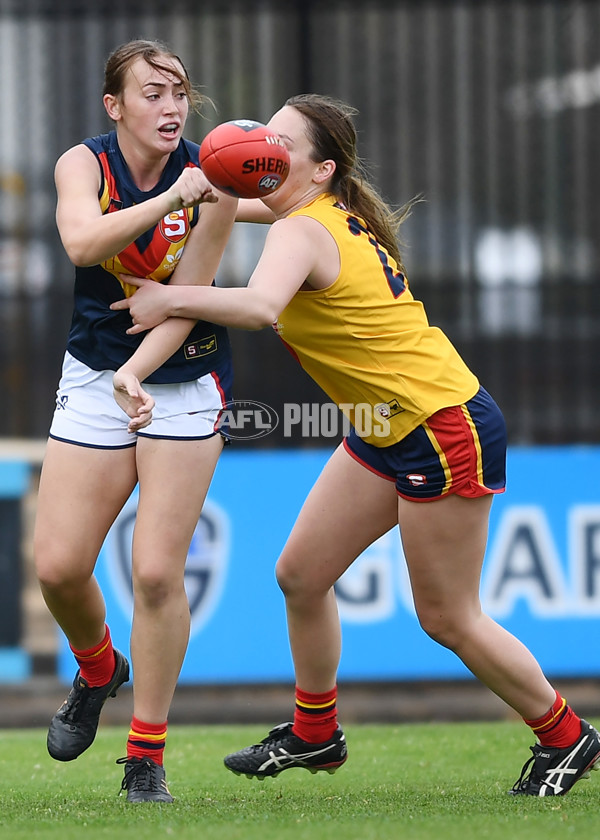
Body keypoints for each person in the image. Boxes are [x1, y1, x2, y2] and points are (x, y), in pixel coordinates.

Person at [110, 93, 600, 797]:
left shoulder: (302, 229)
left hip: (437, 424)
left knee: (448, 617)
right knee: (302, 574)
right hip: (387, 422)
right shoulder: (310, 213)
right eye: (262, 138)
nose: (263, 150)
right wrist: (169, 196)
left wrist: (169, 300)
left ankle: (566, 737)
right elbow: (224, 206)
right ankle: (317, 733)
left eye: (280, 144)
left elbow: (259, 307)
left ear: (321, 169)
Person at [33, 39, 239, 803]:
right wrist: (168, 200)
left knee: (155, 571)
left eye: (180, 92)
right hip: (92, 373)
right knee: (57, 567)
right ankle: (97, 669)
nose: (172, 106)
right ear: (114, 106)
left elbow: (187, 298)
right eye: (152, 93)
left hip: (182, 374)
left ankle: (145, 755)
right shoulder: (82, 165)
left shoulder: (215, 176)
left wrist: (138, 371)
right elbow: (82, 242)